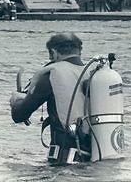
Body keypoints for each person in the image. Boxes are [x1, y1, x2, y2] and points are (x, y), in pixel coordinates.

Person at [10, 33, 91, 165]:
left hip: (64, 161)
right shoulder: (93, 73)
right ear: (79, 51)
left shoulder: (53, 74)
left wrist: (17, 101)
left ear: (53, 52)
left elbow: (19, 115)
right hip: (95, 156)